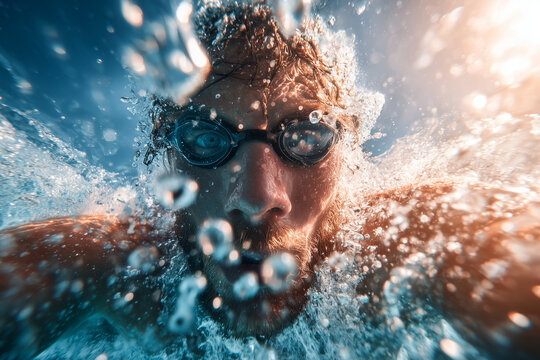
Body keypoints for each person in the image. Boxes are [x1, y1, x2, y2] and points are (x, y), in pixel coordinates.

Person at [0, 3, 538, 359]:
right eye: (207, 141)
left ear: (346, 154)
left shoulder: (404, 243)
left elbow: (493, 240)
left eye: (305, 137)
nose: (258, 199)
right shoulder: (117, 265)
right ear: (167, 162)